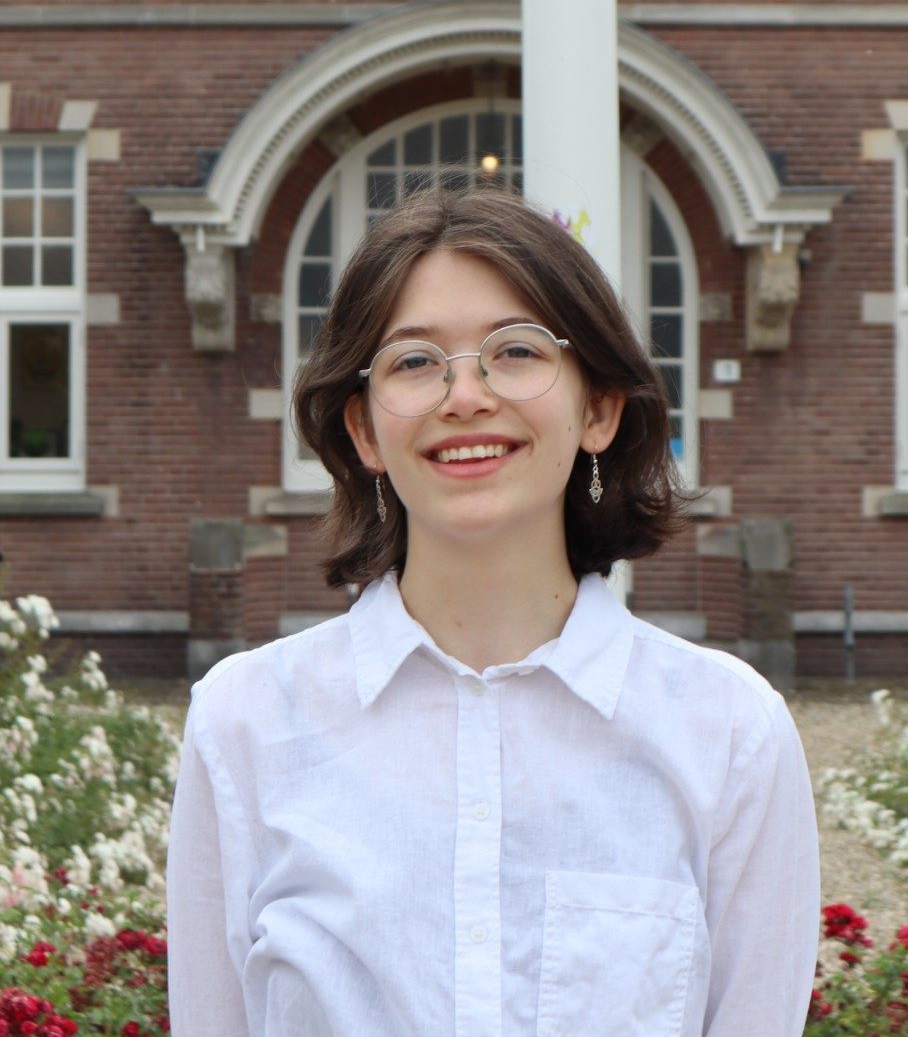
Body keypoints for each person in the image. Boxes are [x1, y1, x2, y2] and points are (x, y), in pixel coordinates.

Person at [166, 187, 820, 1036]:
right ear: (363, 430)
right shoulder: (244, 725)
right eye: (414, 361)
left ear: (597, 408)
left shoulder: (729, 733)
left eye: (515, 351)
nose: (464, 394)